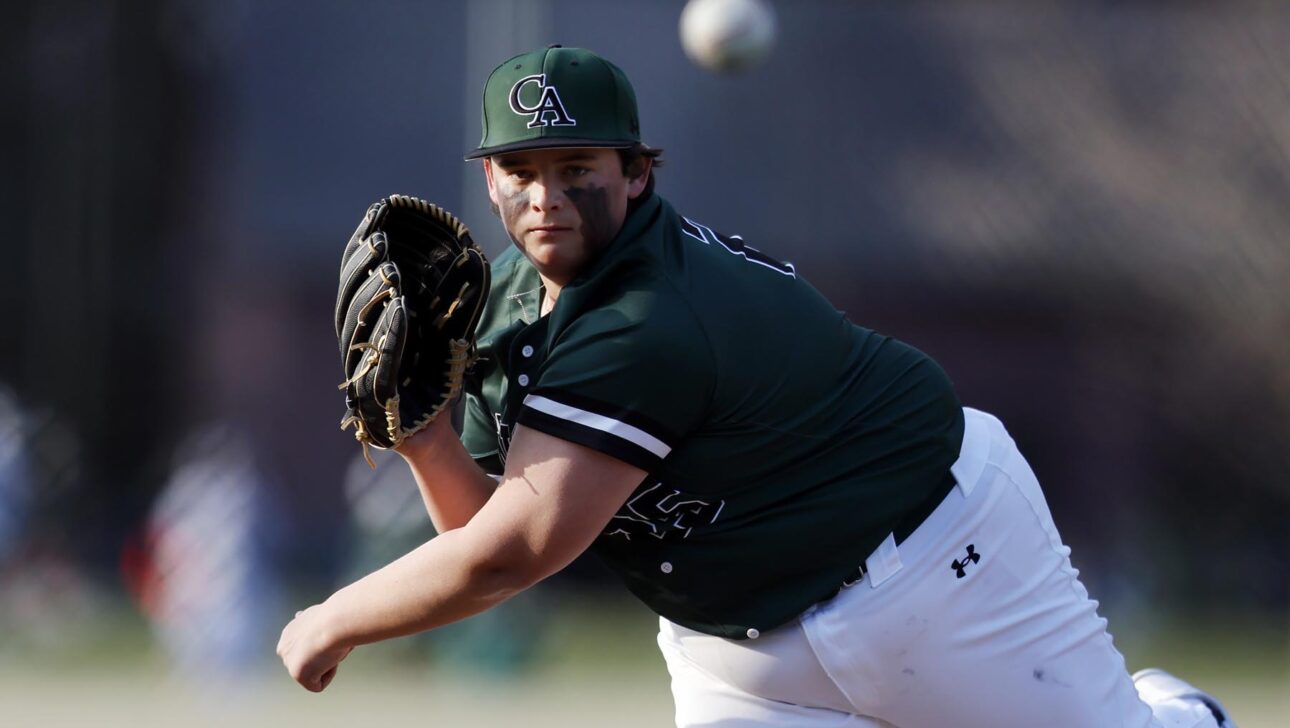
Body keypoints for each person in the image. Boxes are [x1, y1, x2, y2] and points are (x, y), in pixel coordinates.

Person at [278, 46, 1235, 728]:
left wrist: (333, 621)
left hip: (937, 564)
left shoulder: (641, 320)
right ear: (488, 179)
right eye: (520, 170)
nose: (546, 195)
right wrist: (429, 442)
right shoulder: (510, 310)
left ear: (640, 174)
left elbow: (511, 556)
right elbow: (482, 537)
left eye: (578, 167)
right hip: (738, 649)